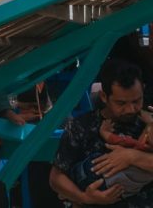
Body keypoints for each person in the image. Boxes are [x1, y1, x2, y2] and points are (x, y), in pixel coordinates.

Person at [50, 58, 153, 206]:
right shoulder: (81, 126)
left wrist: (132, 157)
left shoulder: (148, 123)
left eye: (137, 101)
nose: (131, 109)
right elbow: (56, 178)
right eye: (121, 103)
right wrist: (85, 198)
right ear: (104, 97)